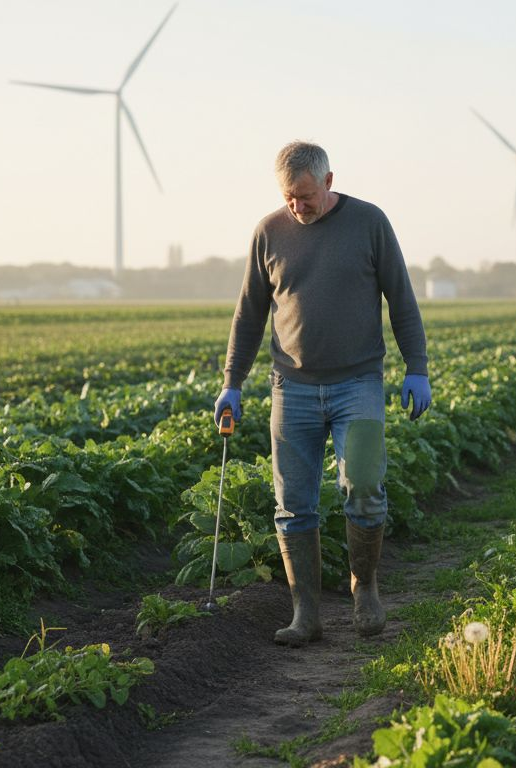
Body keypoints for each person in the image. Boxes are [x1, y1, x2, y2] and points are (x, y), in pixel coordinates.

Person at [214, 141, 431, 647]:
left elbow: (402, 298)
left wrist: (416, 368)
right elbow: (248, 315)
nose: (298, 206)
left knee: (364, 487)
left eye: (306, 196)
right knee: (293, 504)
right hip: (292, 388)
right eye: (289, 197)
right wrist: (232, 383)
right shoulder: (269, 233)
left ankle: (366, 589)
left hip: (359, 384)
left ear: (328, 182)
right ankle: (305, 615)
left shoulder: (370, 223)